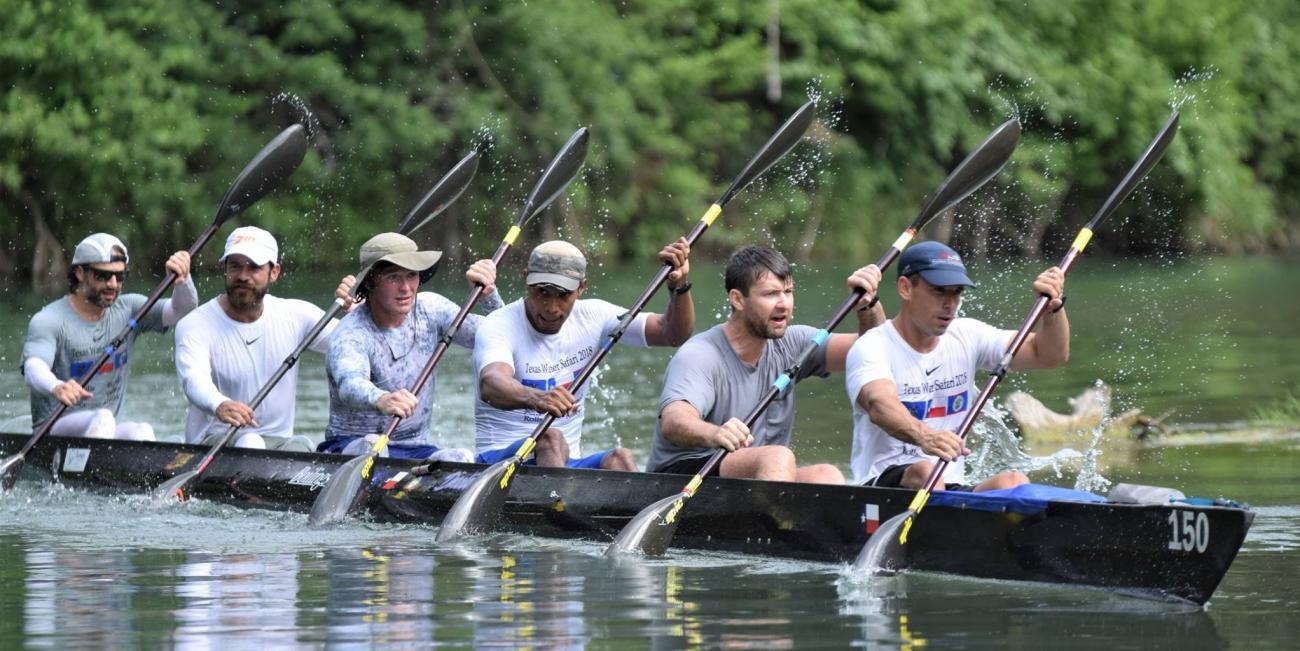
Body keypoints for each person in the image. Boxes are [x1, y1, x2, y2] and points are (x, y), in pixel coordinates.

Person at [646, 245, 885, 483]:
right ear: (738, 299)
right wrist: (715, 433)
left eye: (788, 292)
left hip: (753, 475)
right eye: (771, 294)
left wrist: (868, 305)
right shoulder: (700, 355)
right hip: (680, 479)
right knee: (777, 458)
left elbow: (872, 351)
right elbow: (674, 421)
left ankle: (781, 518)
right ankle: (773, 518)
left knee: (826, 475)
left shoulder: (795, 343)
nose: (784, 304)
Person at [845, 241, 1068, 491]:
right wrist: (925, 437)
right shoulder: (873, 345)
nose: (950, 303)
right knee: (925, 472)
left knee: (1014, 482)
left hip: (946, 486)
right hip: (880, 487)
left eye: (957, 292)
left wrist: (1053, 309)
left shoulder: (967, 335)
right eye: (939, 291)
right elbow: (879, 404)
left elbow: (1049, 355)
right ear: (905, 288)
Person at [473, 238, 694, 470]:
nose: (551, 307)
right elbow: (491, 384)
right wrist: (537, 398)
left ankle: (600, 503)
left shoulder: (594, 316)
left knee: (621, 459)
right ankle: (557, 504)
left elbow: (671, 334)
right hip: (497, 460)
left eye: (563, 295)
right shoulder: (499, 324)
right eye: (542, 292)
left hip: (563, 462)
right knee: (550, 438)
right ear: (526, 279)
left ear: (581, 288)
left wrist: (679, 286)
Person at [320, 232, 503, 460]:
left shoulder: (432, 309)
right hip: (349, 446)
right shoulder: (351, 332)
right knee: (374, 445)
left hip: (415, 448)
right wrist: (382, 399)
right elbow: (349, 385)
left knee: (461, 457)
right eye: (394, 277)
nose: (406, 288)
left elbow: (498, 338)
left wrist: (489, 297)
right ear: (369, 281)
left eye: (411, 275)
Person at [174, 226, 355, 451]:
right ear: (225, 269)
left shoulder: (296, 316)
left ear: (275, 272)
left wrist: (357, 313)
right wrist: (219, 404)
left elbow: (355, 346)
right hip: (214, 443)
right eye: (235, 266)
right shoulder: (195, 324)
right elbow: (193, 380)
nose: (242, 276)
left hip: (277, 444)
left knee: (303, 446)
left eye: (254, 267)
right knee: (251, 440)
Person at [21, 233, 197, 441]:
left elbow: (181, 311)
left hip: (104, 431)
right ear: (79, 273)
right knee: (103, 418)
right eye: (102, 276)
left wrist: (183, 281)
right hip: (51, 434)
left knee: (142, 431)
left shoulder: (130, 309)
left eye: (119, 276)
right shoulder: (49, 320)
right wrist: (56, 386)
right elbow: (33, 367)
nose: (113, 284)